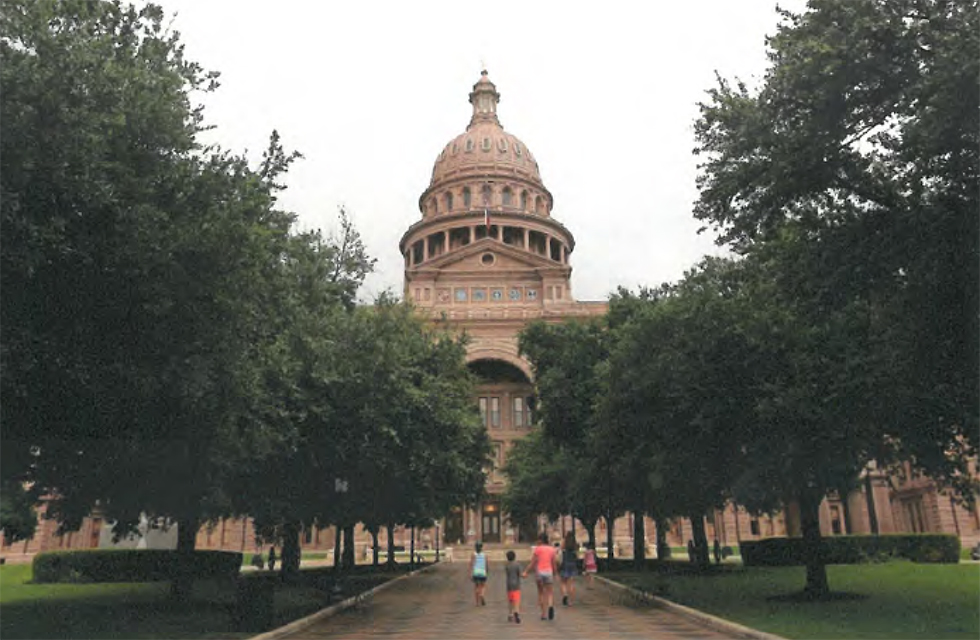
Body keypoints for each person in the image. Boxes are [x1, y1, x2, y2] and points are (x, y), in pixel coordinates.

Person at [523, 532, 558, 620]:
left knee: (541, 593)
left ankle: (543, 614)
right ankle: (550, 606)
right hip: (548, 571)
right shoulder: (552, 550)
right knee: (550, 592)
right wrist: (555, 573)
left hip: (539, 572)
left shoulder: (538, 549)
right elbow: (554, 563)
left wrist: (526, 572)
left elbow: (533, 562)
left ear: (540, 540)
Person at [559, 532, 578, 606]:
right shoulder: (575, 545)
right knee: (572, 584)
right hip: (573, 565)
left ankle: (565, 595)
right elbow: (577, 555)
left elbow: (560, 551)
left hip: (565, 564)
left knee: (563, 582)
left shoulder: (564, 544)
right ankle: (571, 601)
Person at [504, 550, 522, 624]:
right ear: (515, 557)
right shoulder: (517, 565)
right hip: (516, 584)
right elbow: (519, 574)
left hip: (509, 584)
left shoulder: (507, 565)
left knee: (510, 600)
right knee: (517, 600)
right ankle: (516, 612)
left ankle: (510, 614)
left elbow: (507, 574)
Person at [470, 541, 488, 606]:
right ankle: (482, 594)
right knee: (483, 586)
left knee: (476, 587)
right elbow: (486, 564)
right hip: (482, 571)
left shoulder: (473, 554)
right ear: (481, 547)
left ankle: (477, 603)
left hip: (476, 571)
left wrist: (470, 573)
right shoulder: (485, 555)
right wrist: (486, 572)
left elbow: (471, 564)